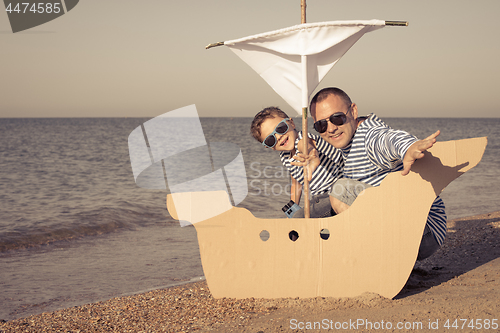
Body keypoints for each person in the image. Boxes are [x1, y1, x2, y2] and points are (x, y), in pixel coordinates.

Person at [305, 87, 446, 260]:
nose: (331, 128)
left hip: (423, 229)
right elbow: (303, 139)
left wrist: (408, 147)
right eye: (321, 124)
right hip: (392, 220)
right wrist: (310, 149)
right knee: (303, 216)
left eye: (337, 118)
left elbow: (388, 139)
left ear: (353, 111)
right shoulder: (345, 142)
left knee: (341, 191)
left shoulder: (369, 136)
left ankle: (375, 263)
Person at [250, 107, 343, 218]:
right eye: (271, 139)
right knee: (297, 218)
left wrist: (310, 153)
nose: (279, 137)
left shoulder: (302, 139)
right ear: (269, 147)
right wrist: (293, 206)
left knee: (300, 219)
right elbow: (296, 183)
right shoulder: (285, 156)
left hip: (338, 191)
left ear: (291, 123)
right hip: (320, 198)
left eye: (281, 128)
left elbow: (305, 145)